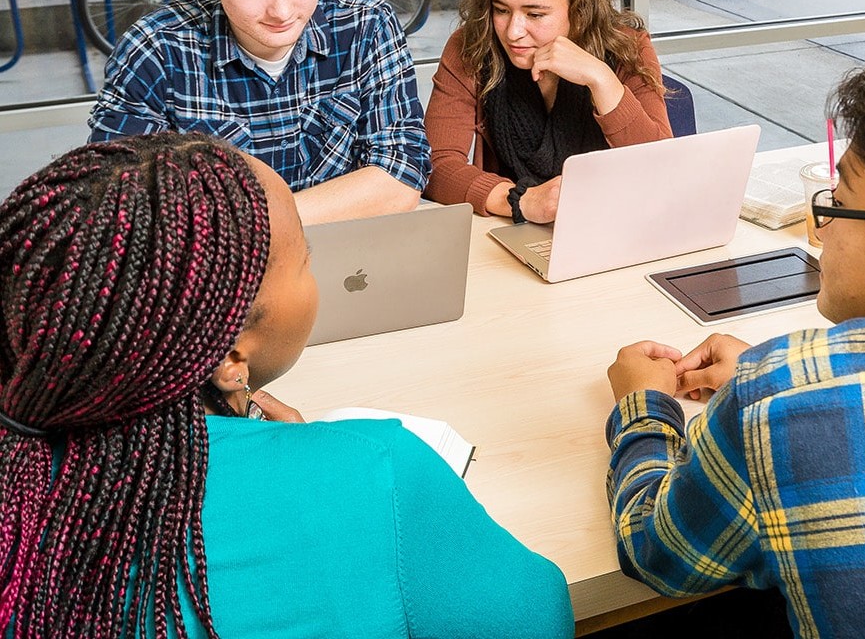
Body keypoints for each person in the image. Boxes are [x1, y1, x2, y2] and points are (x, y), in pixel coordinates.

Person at [0, 133, 574, 639]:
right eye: (307, 257)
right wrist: (312, 464)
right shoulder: (379, 470)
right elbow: (540, 616)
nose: (314, 271)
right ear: (230, 357)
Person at [605, 55, 865, 638]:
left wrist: (643, 406)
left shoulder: (776, 396)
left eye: (839, 205)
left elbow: (658, 553)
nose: (825, 230)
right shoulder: (784, 386)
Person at [88, 0, 430, 226]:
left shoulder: (367, 23)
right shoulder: (155, 50)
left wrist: (255, 223)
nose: (282, 11)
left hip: (347, 269)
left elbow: (401, 174)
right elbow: (119, 204)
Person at [424, 0, 672, 224]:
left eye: (535, 15)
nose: (513, 32)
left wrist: (602, 79)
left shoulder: (627, 45)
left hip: (615, 225)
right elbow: (434, 164)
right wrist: (520, 200)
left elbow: (661, 171)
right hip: (511, 228)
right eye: (501, 10)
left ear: (579, 10)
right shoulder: (472, 46)